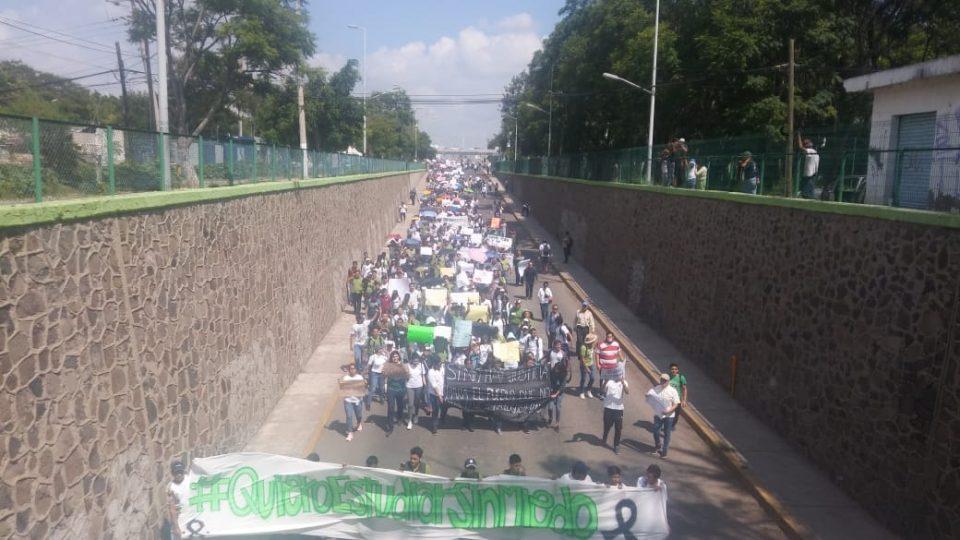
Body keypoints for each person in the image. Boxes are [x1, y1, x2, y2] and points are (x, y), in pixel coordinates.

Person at [647, 373, 681, 458]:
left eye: (665, 380)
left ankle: (664, 452)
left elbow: (676, 404)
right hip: (658, 415)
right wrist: (647, 395)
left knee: (667, 434)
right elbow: (650, 395)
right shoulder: (656, 388)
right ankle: (658, 445)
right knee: (655, 431)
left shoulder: (673, 391)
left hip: (669, 416)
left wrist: (669, 411)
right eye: (662, 380)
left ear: (668, 381)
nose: (663, 381)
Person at [383, 351, 409, 435]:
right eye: (393, 356)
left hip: (401, 389)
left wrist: (405, 370)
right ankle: (390, 427)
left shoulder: (403, 365)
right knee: (390, 408)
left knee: (400, 405)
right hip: (391, 389)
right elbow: (384, 375)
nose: (395, 358)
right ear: (391, 358)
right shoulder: (388, 365)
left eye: (396, 356)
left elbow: (408, 376)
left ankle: (400, 418)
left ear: (399, 357)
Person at [602, 375, 629, 454]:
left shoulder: (624, 382)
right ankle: (605, 435)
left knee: (618, 428)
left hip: (619, 409)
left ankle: (616, 445)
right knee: (607, 426)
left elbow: (627, 392)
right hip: (608, 408)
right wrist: (605, 382)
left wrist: (623, 384)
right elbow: (602, 391)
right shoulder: (608, 381)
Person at [340, 364, 365, 441]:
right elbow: (342, 388)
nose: (352, 370)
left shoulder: (360, 377)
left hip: (357, 401)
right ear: (349, 370)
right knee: (349, 416)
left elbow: (362, 389)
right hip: (348, 401)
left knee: (359, 415)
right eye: (351, 369)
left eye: (354, 368)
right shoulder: (345, 378)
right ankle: (350, 433)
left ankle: (358, 423)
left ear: (356, 370)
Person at [596, 332, 623, 398]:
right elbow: (597, 354)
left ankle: (607, 391)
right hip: (603, 366)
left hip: (613, 367)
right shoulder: (601, 345)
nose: (609, 338)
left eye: (610, 337)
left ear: (613, 337)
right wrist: (597, 364)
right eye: (608, 336)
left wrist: (622, 358)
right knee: (603, 379)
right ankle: (601, 393)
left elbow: (619, 352)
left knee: (610, 380)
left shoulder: (616, 344)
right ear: (606, 337)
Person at [167, 461, 189, 539]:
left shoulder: (190, 479)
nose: (179, 474)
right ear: (173, 474)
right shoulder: (171, 487)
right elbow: (172, 509)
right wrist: (176, 527)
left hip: (193, 518)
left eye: (180, 472)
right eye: (176, 473)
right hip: (181, 520)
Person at [405, 355, 426, 430]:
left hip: (419, 386)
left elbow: (423, 376)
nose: (416, 362)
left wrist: (425, 385)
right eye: (415, 361)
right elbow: (404, 375)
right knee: (410, 404)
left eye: (417, 361)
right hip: (409, 386)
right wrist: (407, 375)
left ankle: (416, 415)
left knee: (417, 403)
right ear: (411, 360)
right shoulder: (407, 365)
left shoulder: (421, 365)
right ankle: (409, 420)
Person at [547, 357, 569, 429]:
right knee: (550, 407)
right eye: (555, 369)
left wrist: (556, 394)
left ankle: (557, 423)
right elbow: (548, 381)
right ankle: (550, 417)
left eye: (557, 370)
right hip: (552, 390)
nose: (555, 370)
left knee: (558, 407)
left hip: (559, 392)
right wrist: (550, 391)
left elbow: (562, 387)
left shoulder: (564, 375)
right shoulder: (552, 372)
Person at [797, 135, 820, 199]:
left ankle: (810, 197)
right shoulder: (814, 151)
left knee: (807, 192)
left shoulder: (810, 151)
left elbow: (800, 147)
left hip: (809, 174)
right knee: (807, 190)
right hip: (812, 173)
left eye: (807, 142)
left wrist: (798, 135)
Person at [427, 359, 446, 434]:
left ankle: (442, 419)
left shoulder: (442, 369)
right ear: (434, 363)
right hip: (434, 394)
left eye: (441, 363)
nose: (440, 365)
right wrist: (439, 396)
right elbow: (434, 386)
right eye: (439, 363)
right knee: (435, 410)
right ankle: (434, 426)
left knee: (444, 408)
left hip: (443, 392)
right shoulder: (431, 372)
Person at [578, 333, 598, 399]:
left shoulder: (592, 345)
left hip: (591, 364)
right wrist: (586, 368)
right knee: (583, 379)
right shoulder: (583, 347)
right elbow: (582, 358)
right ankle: (581, 392)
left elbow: (596, 340)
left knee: (592, 378)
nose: (594, 342)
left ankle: (588, 390)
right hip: (584, 365)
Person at [669, 362, 688, 428]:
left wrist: (684, 400)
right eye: (672, 369)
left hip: (677, 400)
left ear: (678, 370)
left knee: (676, 416)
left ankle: (671, 426)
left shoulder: (681, 377)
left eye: (675, 369)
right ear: (670, 370)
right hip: (668, 399)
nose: (674, 370)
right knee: (667, 414)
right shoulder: (668, 377)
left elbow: (684, 389)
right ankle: (667, 427)